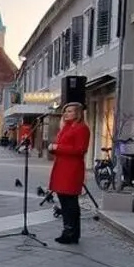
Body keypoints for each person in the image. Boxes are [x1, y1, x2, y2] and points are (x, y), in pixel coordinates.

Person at [49, 102, 91, 244]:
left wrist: (57, 147)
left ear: (78, 113)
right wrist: (55, 148)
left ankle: (72, 233)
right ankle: (67, 230)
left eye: (70, 111)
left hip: (72, 169)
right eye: (65, 111)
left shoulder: (82, 129)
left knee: (70, 201)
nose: (66, 113)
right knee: (64, 200)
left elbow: (80, 150)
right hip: (62, 167)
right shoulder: (66, 128)